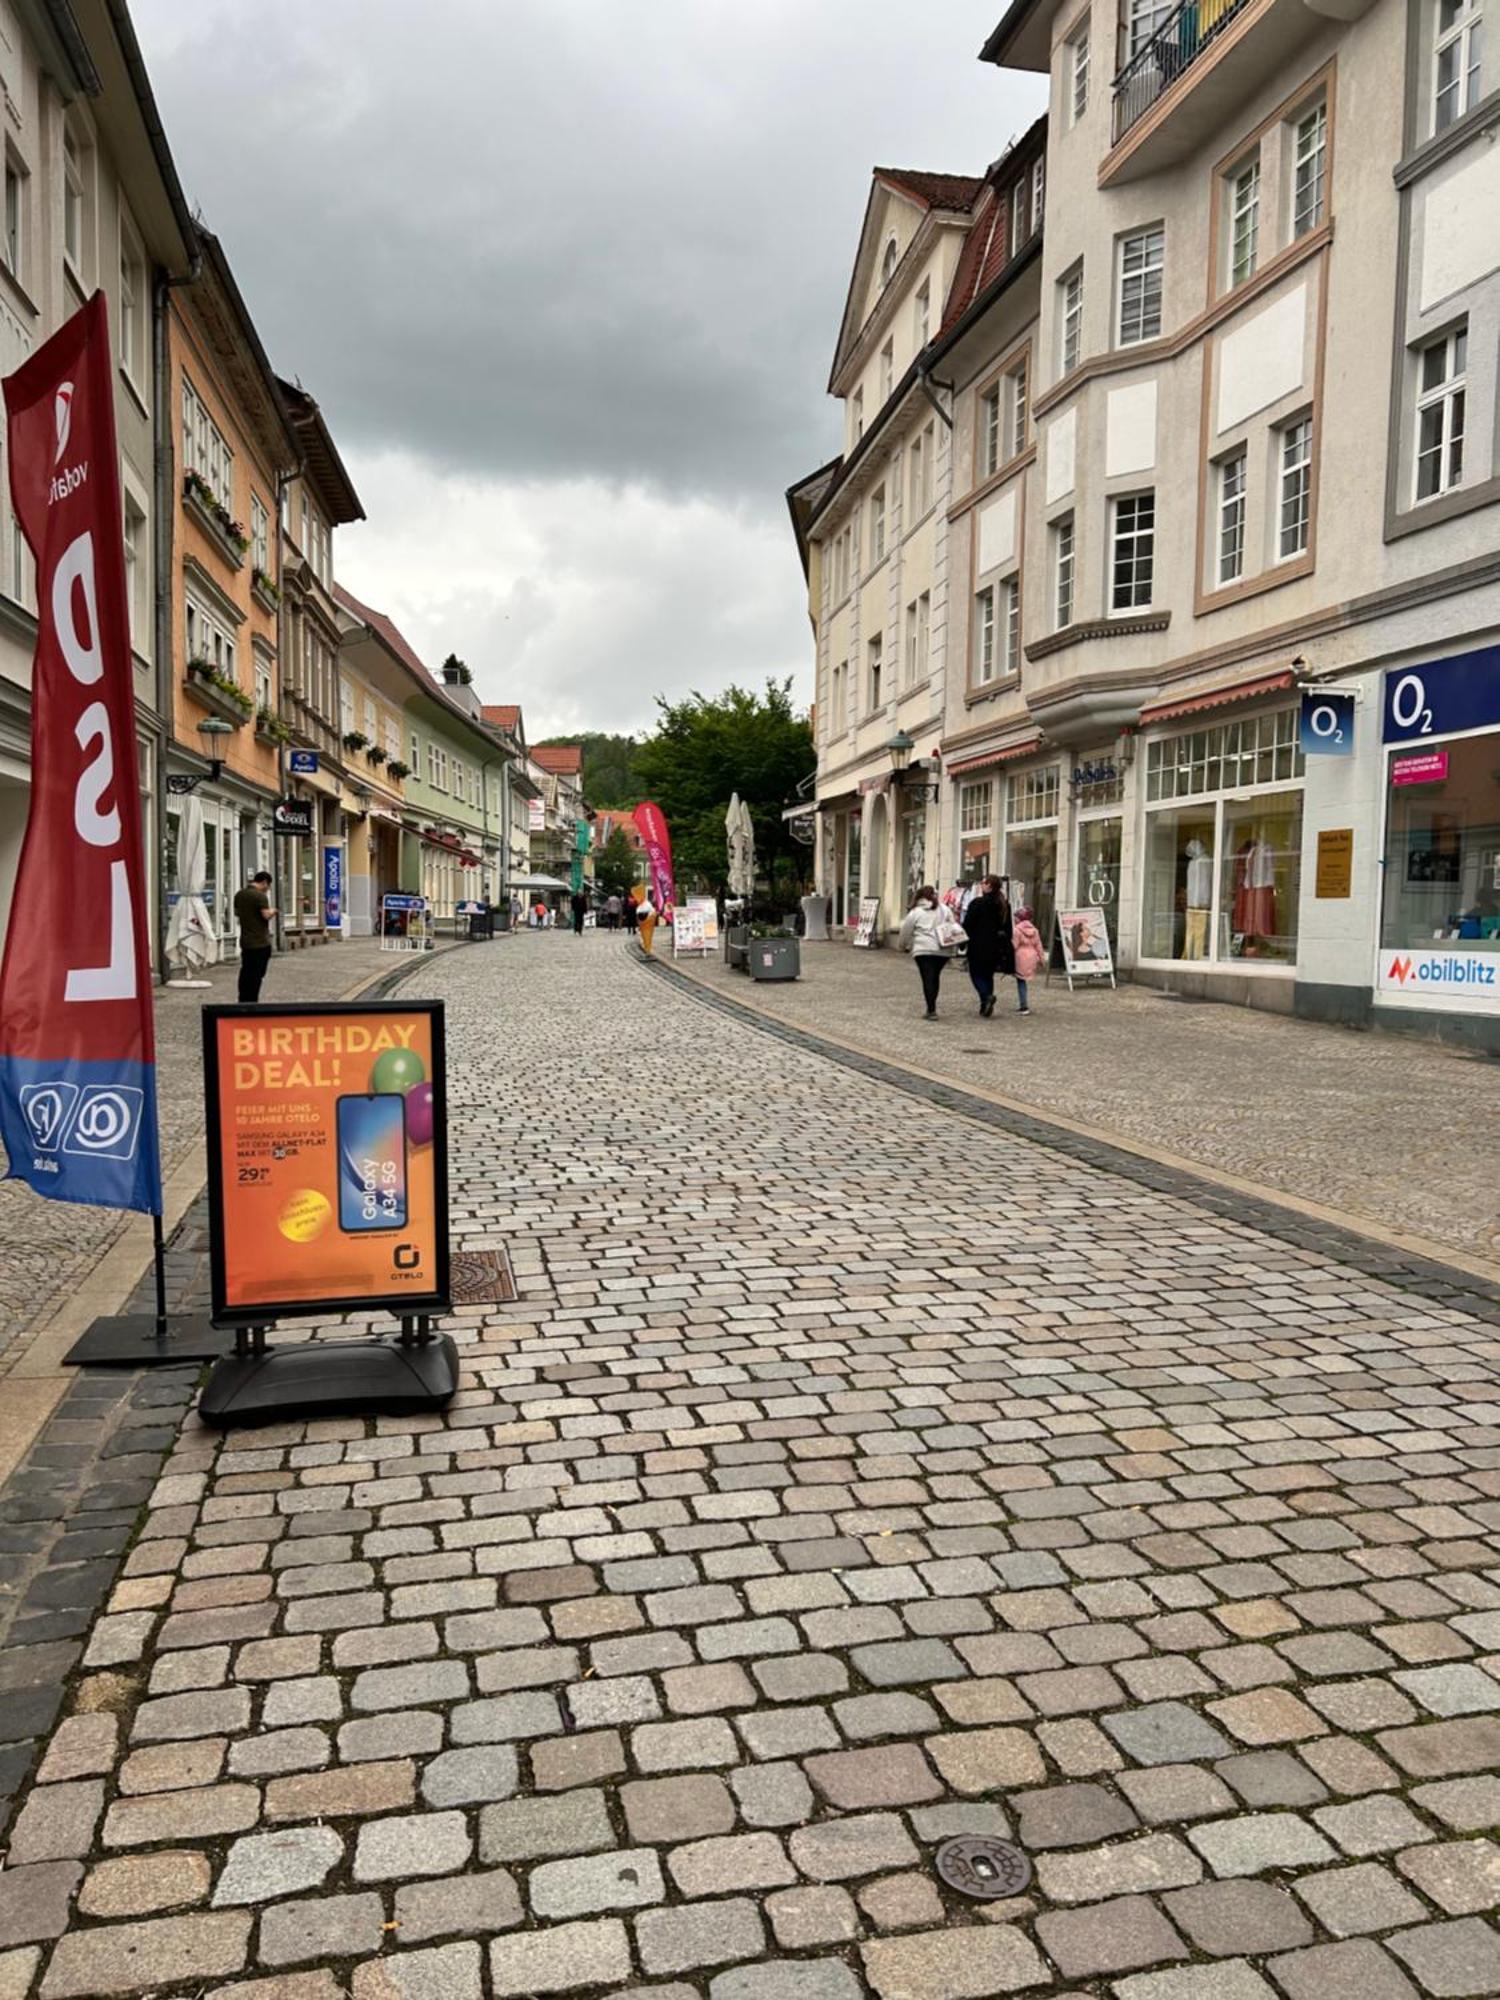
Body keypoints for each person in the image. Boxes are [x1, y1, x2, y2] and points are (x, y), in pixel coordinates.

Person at [898, 883, 953, 1020]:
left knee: (928, 978)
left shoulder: (916, 912)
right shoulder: (945, 909)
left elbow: (906, 931)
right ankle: (931, 1007)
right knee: (935, 977)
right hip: (942, 949)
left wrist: (902, 946)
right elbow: (953, 927)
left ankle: (931, 1010)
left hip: (923, 949)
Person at [962, 875, 1014, 1018]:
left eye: (984, 882)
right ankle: (984, 1005)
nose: (981, 885)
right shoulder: (1004, 905)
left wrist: (962, 941)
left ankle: (986, 997)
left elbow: (968, 925)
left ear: (989, 886)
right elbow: (1009, 928)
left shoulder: (977, 903)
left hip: (978, 944)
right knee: (988, 974)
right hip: (996, 945)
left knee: (975, 974)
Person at [234, 870, 276, 1004]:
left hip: (246, 941)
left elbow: (237, 913)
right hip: (260, 942)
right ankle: (252, 1001)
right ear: (264, 882)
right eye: (268, 886)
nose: (267, 890)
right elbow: (266, 915)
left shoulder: (240, 894)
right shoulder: (260, 896)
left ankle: (243, 999)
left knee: (246, 971)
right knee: (257, 974)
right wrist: (273, 911)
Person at [1012, 904, 1045, 1015]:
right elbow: (1039, 945)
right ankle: (1023, 1005)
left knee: (1021, 981)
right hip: (1031, 957)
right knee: (1023, 980)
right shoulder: (1035, 930)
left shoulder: (1017, 930)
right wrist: (1041, 959)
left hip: (1020, 957)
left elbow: (1014, 945)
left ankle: (1024, 1006)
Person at [638, 890, 658, 955]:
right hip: (645, 921)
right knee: (645, 936)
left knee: (647, 936)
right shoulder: (643, 904)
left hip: (647, 922)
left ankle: (647, 951)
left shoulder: (647, 904)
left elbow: (652, 913)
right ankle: (647, 950)